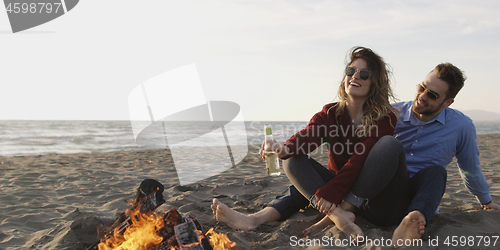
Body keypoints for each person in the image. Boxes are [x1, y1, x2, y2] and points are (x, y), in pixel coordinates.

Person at [212, 46, 407, 239]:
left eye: (364, 74)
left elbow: (359, 159)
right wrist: (284, 148)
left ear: (375, 83)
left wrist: (331, 193)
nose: (355, 76)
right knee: (292, 158)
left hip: (374, 200)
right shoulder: (332, 113)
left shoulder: (385, 118)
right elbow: (310, 134)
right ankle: (254, 220)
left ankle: (336, 214)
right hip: (339, 195)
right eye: (351, 71)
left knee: (389, 144)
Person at [304, 62, 500, 245]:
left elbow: (470, 169)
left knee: (436, 172)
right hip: (373, 191)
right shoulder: (390, 113)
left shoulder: (461, 126)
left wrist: (486, 200)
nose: (422, 96)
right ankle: (341, 213)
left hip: (414, 197)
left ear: (448, 102)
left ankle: (414, 220)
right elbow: (356, 154)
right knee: (388, 144)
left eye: (432, 95)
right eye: (422, 87)